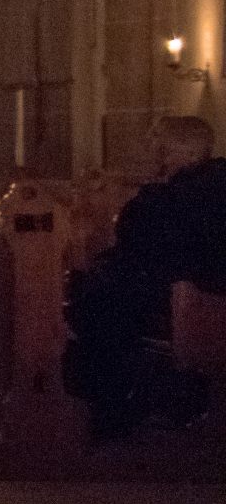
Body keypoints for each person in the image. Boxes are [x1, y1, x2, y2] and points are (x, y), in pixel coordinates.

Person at [64, 115, 226, 438]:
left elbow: (132, 242)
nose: (150, 152)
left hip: (181, 300)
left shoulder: (164, 199)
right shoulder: (212, 184)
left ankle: (113, 408)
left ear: (170, 152)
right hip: (208, 292)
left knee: (95, 299)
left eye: (155, 145)